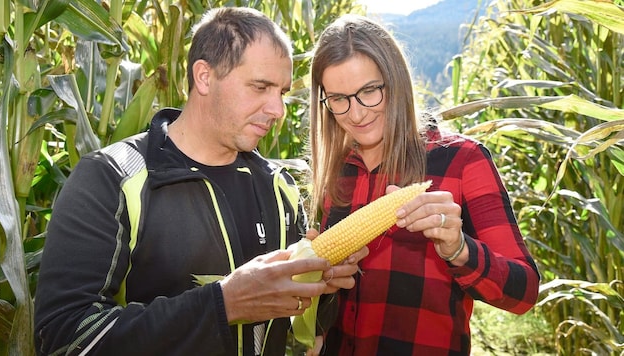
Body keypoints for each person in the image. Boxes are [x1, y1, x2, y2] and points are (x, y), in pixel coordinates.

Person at [33, 7, 368, 356]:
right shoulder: (111, 178)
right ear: (205, 77)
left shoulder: (279, 188)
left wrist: (319, 285)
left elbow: (293, 333)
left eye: (281, 92)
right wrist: (222, 305)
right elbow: (63, 336)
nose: (278, 110)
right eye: (260, 87)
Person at [307, 14, 541, 355]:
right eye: (339, 99)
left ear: (396, 82)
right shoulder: (338, 169)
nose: (355, 114)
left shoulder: (463, 161)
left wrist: (459, 249)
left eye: (369, 91)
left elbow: (524, 293)